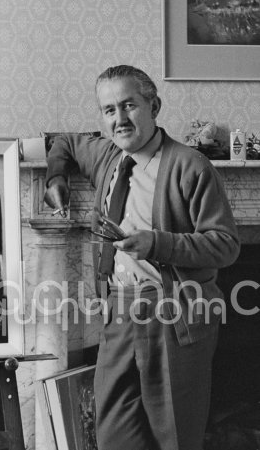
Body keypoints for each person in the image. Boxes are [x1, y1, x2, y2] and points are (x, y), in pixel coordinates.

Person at [44, 65, 240, 450]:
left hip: (174, 314)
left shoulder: (190, 166)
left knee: (175, 437)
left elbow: (225, 244)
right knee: (114, 434)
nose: (119, 119)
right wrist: (56, 178)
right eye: (109, 109)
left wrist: (156, 243)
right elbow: (63, 143)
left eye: (129, 105)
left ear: (154, 106)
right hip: (119, 311)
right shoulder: (106, 156)